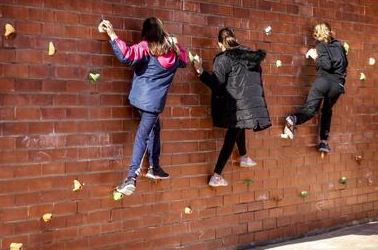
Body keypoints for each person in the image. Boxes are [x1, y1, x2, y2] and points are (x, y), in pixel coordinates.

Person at [99, 17, 188, 195]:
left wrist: (112, 34)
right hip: (153, 104)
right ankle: (131, 177)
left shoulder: (145, 47)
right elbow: (185, 61)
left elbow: (126, 55)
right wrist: (176, 44)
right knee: (143, 136)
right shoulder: (174, 52)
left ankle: (154, 166)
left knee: (154, 128)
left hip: (139, 99)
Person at [192, 28, 271, 187]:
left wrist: (200, 71)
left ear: (219, 44)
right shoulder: (250, 55)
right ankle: (243, 156)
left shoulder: (223, 58)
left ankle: (216, 175)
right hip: (249, 102)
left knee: (230, 138)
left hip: (235, 103)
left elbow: (217, 85)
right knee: (238, 126)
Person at [283, 22, 348, 153]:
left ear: (317, 34)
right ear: (330, 32)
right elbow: (344, 63)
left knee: (311, 109)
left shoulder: (321, 45)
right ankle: (324, 142)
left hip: (323, 82)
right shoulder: (339, 46)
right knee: (327, 110)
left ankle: (293, 119)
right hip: (338, 85)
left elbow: (326, 65)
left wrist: (315, 56)